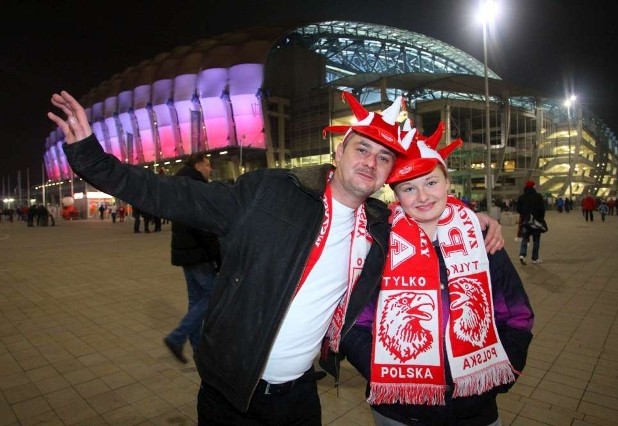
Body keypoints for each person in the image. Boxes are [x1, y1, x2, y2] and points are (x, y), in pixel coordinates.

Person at [48, 90, 503, 425]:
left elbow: (431, 213)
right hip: (230, 393)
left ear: (387, 173)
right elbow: (174, 196)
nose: (370, 162)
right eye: (362, 148)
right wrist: (92, 160)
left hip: (300, 397)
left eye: (384, 158)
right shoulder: (268, 192)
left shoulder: (384, 225)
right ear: (339, 150)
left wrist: (476, 219)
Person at [323, 123, 534, 426]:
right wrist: (387, 374)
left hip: (474, 407)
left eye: (431, 183)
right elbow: (355, 323)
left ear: (448, 183)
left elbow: (517, 314)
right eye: (409, 188)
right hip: (399, 410)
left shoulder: (481, 240)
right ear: (396, 195)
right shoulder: (380, 247)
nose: (422, 197)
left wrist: (499, 374)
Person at [163, 153, 222, 364]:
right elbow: (203, 226)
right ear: (197, 165)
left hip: (186, 251)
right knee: (213, 296)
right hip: (199, 252)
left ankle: (198, 349)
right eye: (207, 165)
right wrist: (217, 256)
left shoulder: (180, 184)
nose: (210, 169)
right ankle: (177, 337)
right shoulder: (196, 187)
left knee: (196, 300)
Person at [517, 181, 546, 265]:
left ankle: (522, 255)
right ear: (533, 187)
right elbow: (542, 209)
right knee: (536, 240)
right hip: (536, 222)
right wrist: (540, 219)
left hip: (526, 221)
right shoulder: (538, 196)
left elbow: (518, 209)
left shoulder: (521, 197)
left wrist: (524, 214)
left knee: (525, 238)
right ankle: (534, 258)